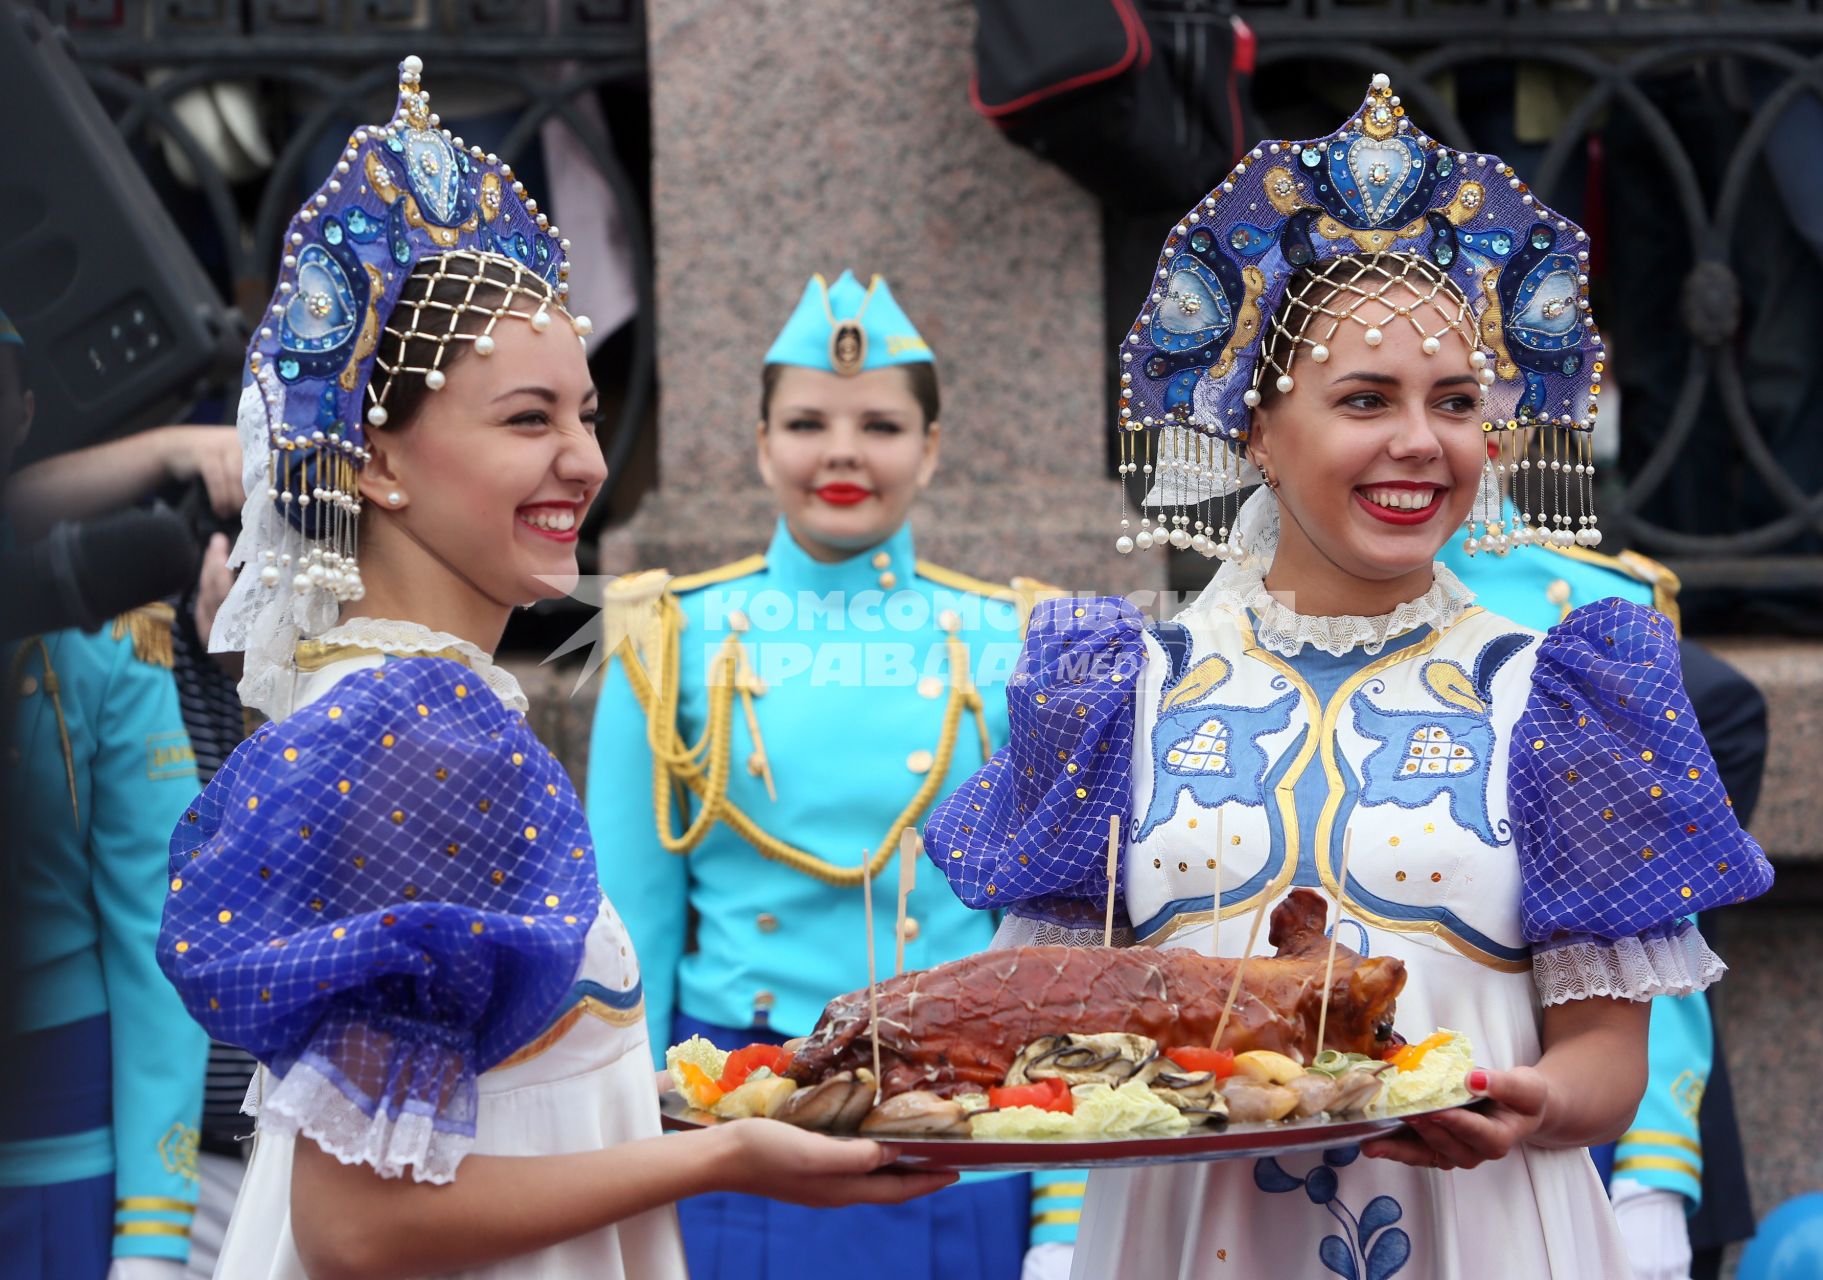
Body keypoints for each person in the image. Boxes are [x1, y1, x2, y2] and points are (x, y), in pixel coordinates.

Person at [925, 73, 1774, 1279]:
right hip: (1186, 1242)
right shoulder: (1117, 695)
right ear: (1257, 432)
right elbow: (1049, 1024)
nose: (1418, 443)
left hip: (1485, 1234)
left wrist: (1532, 1099)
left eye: (1455, 402)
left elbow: (1606, 1059)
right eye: (1363, 399)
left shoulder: (1562, 697)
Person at [154, 57, 952, 1280]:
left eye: (583, 413)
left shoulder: (415, 704)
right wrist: (721, 1154)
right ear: (376, 462)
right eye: (528, 420)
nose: (584, 459)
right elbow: (359, 1224)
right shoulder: (411, 733)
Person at [589, 268, 1053, 1280]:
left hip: (963, 1117)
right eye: (806, 422)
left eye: (879, 426)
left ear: (929, 450)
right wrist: (626, 1164)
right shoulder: (665, 635)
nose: (841, 450)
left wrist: (1060, 1206)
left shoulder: (1015, 636)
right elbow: (628, 936)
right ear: (760, 444)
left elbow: (1052, 939)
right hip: (736, 1112)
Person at [1440, 522, 1766, 1280]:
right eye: (1364, 399)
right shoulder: (1179, 651)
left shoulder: (1591, 608)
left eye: (1465, 397)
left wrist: (1654, 1163)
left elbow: (1649, 914)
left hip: (1553, 1104)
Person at [0, 308, 210, 1279]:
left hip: (49, 1155)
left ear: (24, 417)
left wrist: (153, 1233)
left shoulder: (103, 635)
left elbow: (152, 930)